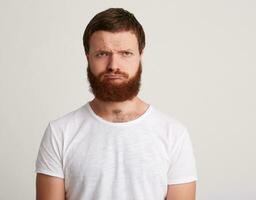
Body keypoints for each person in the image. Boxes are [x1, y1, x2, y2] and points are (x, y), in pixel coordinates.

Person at [35, 8, 198, 200]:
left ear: (140, 56)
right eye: (102, 53)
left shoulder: (174, 135)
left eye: (126, 53)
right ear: (88, 57)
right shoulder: (60, 133)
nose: (114, 65)